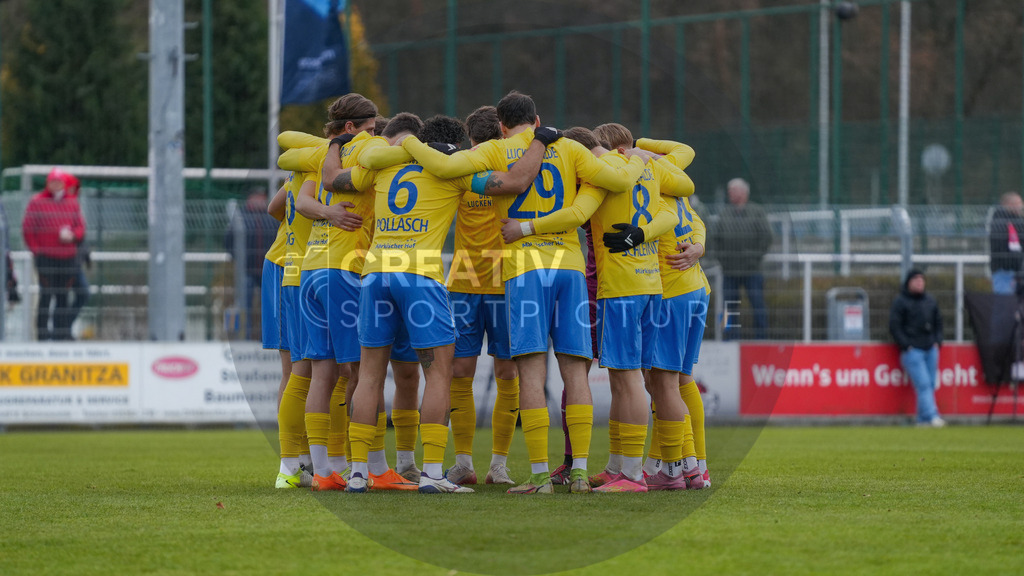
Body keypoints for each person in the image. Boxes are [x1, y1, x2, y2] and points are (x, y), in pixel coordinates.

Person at [398, 91, 649, 495]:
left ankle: (537, 476)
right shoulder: (568, 147)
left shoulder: (498, 149)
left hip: (523, 269)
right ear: (537, 120)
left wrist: (406, 140)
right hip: (566, 268)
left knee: (528, 370)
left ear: (501, 125)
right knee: (573, 370)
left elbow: (444, 166)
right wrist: (638, 156)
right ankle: (580, 472)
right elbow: (617, 180)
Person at [22, 168, 86, 340]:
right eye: (53, 182)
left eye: (59, 182)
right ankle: (42, 335)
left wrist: (73, 235)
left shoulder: (72, 203)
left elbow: (80, 228)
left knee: (63, 297)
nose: (56, 185)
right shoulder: (37, 202)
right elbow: (28, 229)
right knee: (46, 295)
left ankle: (61, 334)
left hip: (67, 259)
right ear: (48, 183)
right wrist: (37, 251)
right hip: (46, 259)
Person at [712, 177, 772, 340]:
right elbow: (715, 239)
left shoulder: (757, 212)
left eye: (733, 190)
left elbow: (766, 237)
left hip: (752, 270)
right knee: (728, 307)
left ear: (744, 193)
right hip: (729, 270)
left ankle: (762, 339)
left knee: (757, 304)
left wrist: (753, 258)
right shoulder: (724, 213)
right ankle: (729, 337)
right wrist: (723, 259)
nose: (730, 193)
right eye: (729, 191)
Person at [889, 269, 946, 427]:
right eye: (916, 280)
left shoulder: (930, 300)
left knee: (930, 384)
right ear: (909, 283)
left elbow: (939, 323)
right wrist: (906, 345)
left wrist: (937, 341)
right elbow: (894, 326)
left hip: (930, 348)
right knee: (924, 384)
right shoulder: (900, 301)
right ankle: (932, 415)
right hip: (913, 350)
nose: (920, 283)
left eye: (922, 280)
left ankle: (922, 419)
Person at [225, 188, 281, 339]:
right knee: (245, 306)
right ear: (250, 198)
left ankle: (270, 337)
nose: (261, 201)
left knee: (270, 306)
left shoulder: (271, 218)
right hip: (247, 271)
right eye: (258, 197)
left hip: (267, 270)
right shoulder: (241, 217)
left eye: (263, 198)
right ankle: (246, 337)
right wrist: (241, 260)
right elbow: (228, 242)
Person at [988, 192, 1024, 295]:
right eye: (1018, 203)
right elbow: (1002, 246)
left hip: (1017, 271)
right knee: (1004, 304)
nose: (1021, 206)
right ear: (1009, 205)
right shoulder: (1000, 222)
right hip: (1004, 271)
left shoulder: (1017, 222)